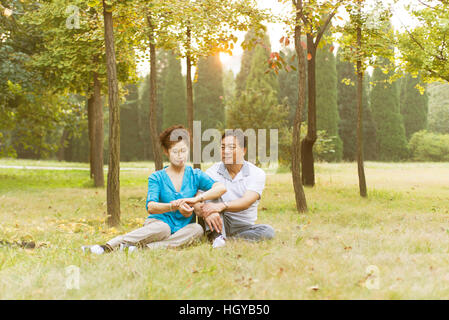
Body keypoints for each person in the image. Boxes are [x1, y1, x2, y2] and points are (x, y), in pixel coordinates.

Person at [82, 125, 226, 254]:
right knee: (164, 229)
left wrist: (196, 199)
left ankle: (144, 249)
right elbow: (151, 207)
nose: (180, 155)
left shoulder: (195, 175)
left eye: (183, 150)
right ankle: (107, 247)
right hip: (158, 225)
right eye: (175, 151)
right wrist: (173, 206)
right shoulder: (157, 177)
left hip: (182, 230)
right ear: (166, 152)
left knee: (197, 229)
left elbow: (220, 187)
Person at [193, 130, 275, 248]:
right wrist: (206, 212)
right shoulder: (212, 172)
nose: (226, 151)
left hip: (243, 226)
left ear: (244, 150)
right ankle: (218, 237)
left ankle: (223, 241)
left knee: (268, 231)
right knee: (214, 196)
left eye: (232, 147)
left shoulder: (256, 173)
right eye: (222, 147)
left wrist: (222, 206)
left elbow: (246, 201)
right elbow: (198, 200)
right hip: (218, 220)